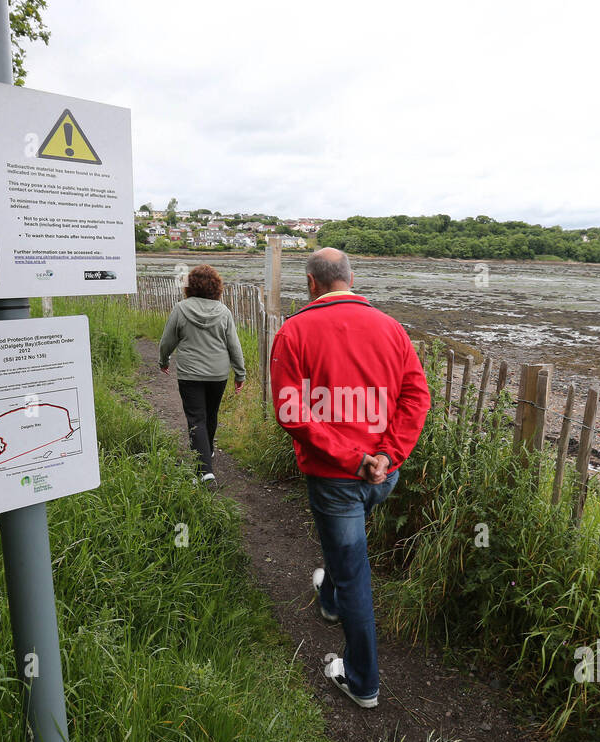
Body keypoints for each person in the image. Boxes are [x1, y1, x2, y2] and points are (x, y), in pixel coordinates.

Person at [269, 248, 430, 708]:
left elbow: (290, 411)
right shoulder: (392, 328)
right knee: (346, 551)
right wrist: (386, 456)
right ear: (351, 278)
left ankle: (363, 682)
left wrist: (357, 458)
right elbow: (417, 399)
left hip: (337, 477)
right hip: (384, 475)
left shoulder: (294, 330)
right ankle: (330, 599)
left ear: (311, 284)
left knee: (353, 569)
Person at [159, 264, 245, 482]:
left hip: (190, 374)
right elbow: (234, 345)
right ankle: (207, 453)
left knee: (196, 418)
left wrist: (163, 360)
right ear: (216, 287)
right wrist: (240, 374)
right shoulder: (223, 311)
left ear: (190, 286)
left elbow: (168, 340)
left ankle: (204, 469)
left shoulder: (181, 308)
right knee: (211, 413)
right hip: (218, 374)